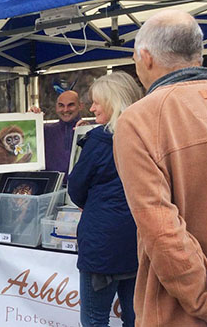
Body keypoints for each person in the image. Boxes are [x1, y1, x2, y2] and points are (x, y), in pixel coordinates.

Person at [113, 10, 207, 326]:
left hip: (186, 313)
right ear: (197, 55)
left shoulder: (139, 120)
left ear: (145, 58)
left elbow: (163, 235)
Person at [67, 71, 143, 327]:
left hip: (102, 246)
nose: (91, 107)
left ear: (113, 102)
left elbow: (76, 188)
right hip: (139, 240)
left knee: (94, 319)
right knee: (136, 317)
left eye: (97, 102)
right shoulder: (147, 136)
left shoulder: (98, 141)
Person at [31, 90, 83, 181]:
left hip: (82, 189)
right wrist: (30, 120)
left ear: (80, 106)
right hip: (51, 190)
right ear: (56, 108)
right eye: (61, 105)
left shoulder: (90, 131)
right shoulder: (45, 131)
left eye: (71, 105)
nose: (65, 110)